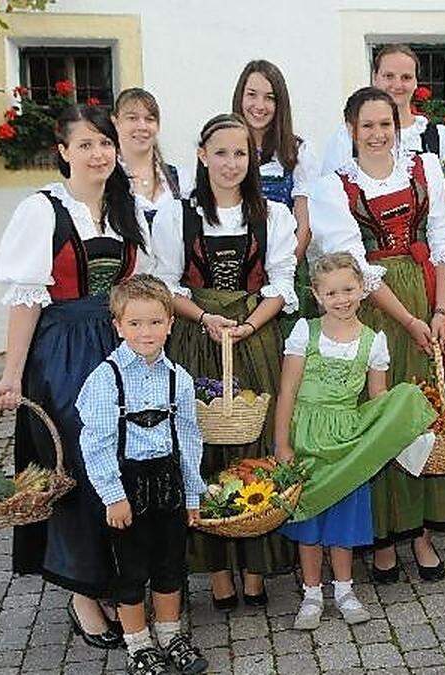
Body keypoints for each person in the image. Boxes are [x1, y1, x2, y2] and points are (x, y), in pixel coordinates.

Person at [0, 105, 152, 649]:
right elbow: (25, 298)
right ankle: (83, 596)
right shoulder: (42, 210)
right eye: (85, 145)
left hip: (117, 345)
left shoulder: (123, 208)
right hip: (62, 352)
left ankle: (108, 579)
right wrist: (13, 374)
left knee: (122, 462)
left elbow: (143, 284)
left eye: (104, 143)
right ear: (63, 152)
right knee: (78, 467)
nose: (99, 153)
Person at [308, 86, 445, 582]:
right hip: (377, 310)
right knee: (383, 416)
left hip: (430, 295)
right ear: (351, 131)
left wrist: (441, 312)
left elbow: (443, 240)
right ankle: (384, 533)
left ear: (398, 125)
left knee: (426, 410)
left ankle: (421, 530)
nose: (378, 134)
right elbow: (357, 267)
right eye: (367, 126)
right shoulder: (334, 187)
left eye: (386, 124)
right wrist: (409, 319)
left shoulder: (425, 168)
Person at [151, 113, 299, 611]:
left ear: (252, 159)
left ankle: (256, 567)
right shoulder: (177, 215)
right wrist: (206, 318)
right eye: (221, 152)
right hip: (197, 336)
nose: (231, 163)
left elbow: (281, 283)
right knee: (203, 445)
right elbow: (167, 284)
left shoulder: (273, 216)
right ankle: (216, 569)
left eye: (241, 153)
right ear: (201, 155)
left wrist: (250, 325)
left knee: (253, 441)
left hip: (254, 334)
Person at [275, 252, 436, 630]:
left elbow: (378, 398)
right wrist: (282, 444)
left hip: (348, 439)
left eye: (348, 289)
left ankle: (344, 590)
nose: (342, 299)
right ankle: (312, 594)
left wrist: (398, 424)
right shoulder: (304, 333)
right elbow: (287, 392)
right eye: (332, 293)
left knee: (344, 516)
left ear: (363, 289)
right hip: (307, 434)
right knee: (310, 515)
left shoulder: (373, 340)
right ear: (317, 295)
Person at [76, 275, 208, 675]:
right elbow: (95, 442)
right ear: (117, 326)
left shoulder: (178, 379)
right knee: (129, 568)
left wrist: (192, 495)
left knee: (170, 564)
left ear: (171, 323)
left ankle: (170, 635)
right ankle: (138, 643)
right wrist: (113, 495)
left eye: (154, 322)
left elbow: (189, 438)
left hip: (168, 482)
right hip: (126, 485)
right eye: (134, 324)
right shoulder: (104, 379)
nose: (145, 332)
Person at [232, 60, 321, 323]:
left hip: (286, 268)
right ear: (240, 97)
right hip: (235, 270)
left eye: (269, 98)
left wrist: (281, 274)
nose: (259, 105)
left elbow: (304, 226)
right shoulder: (226, 146)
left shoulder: (296, 152)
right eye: (252, 95)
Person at [320, 43, 445, 174]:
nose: (397, 85)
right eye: (389, 76)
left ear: (416, 82)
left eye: (406, 77)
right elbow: (330, 192)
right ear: (374, 78)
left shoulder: (439, 137)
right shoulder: (346, 136)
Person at [112, 88, 192, 225]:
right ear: (115, 122)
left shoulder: (181, 180)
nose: (142, 126)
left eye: (150, 119)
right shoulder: (106, 180)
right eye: (132, 118)